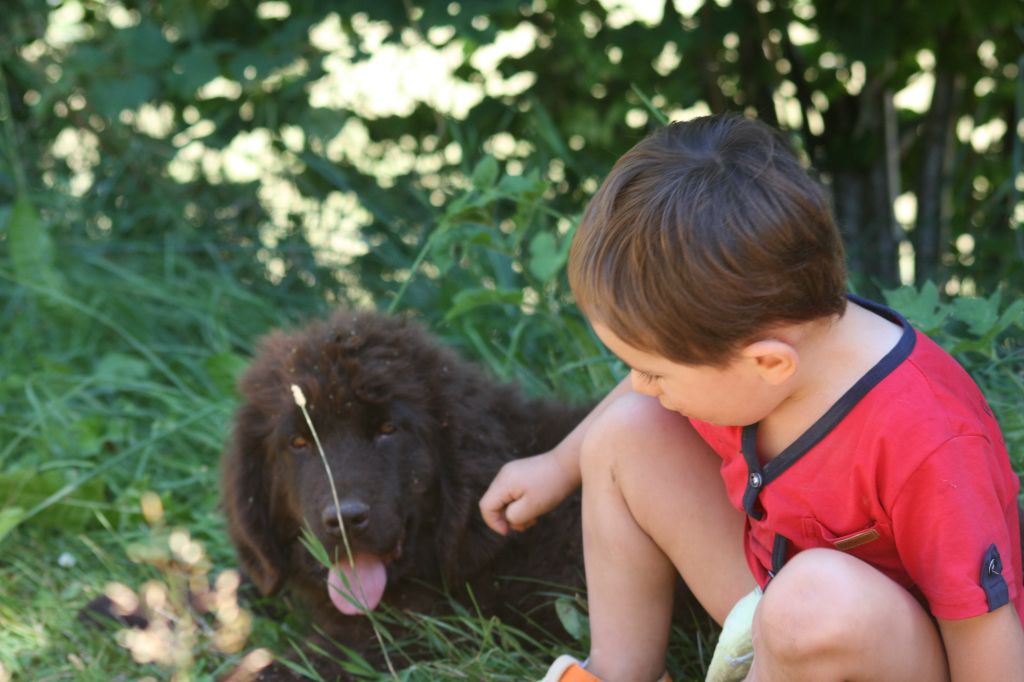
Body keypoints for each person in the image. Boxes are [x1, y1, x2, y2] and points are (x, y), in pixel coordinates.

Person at [478, 113, 1024, 682]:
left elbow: (985, 635)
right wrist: (559, 465)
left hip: (877, 649)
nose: (642, 382)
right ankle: (618, 672)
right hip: (773, 609)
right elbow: (660, 376)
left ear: (767, 363)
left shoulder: (928, 440)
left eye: (656, 372)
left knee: (812, 598)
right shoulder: (761, 340)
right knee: (624, 429)